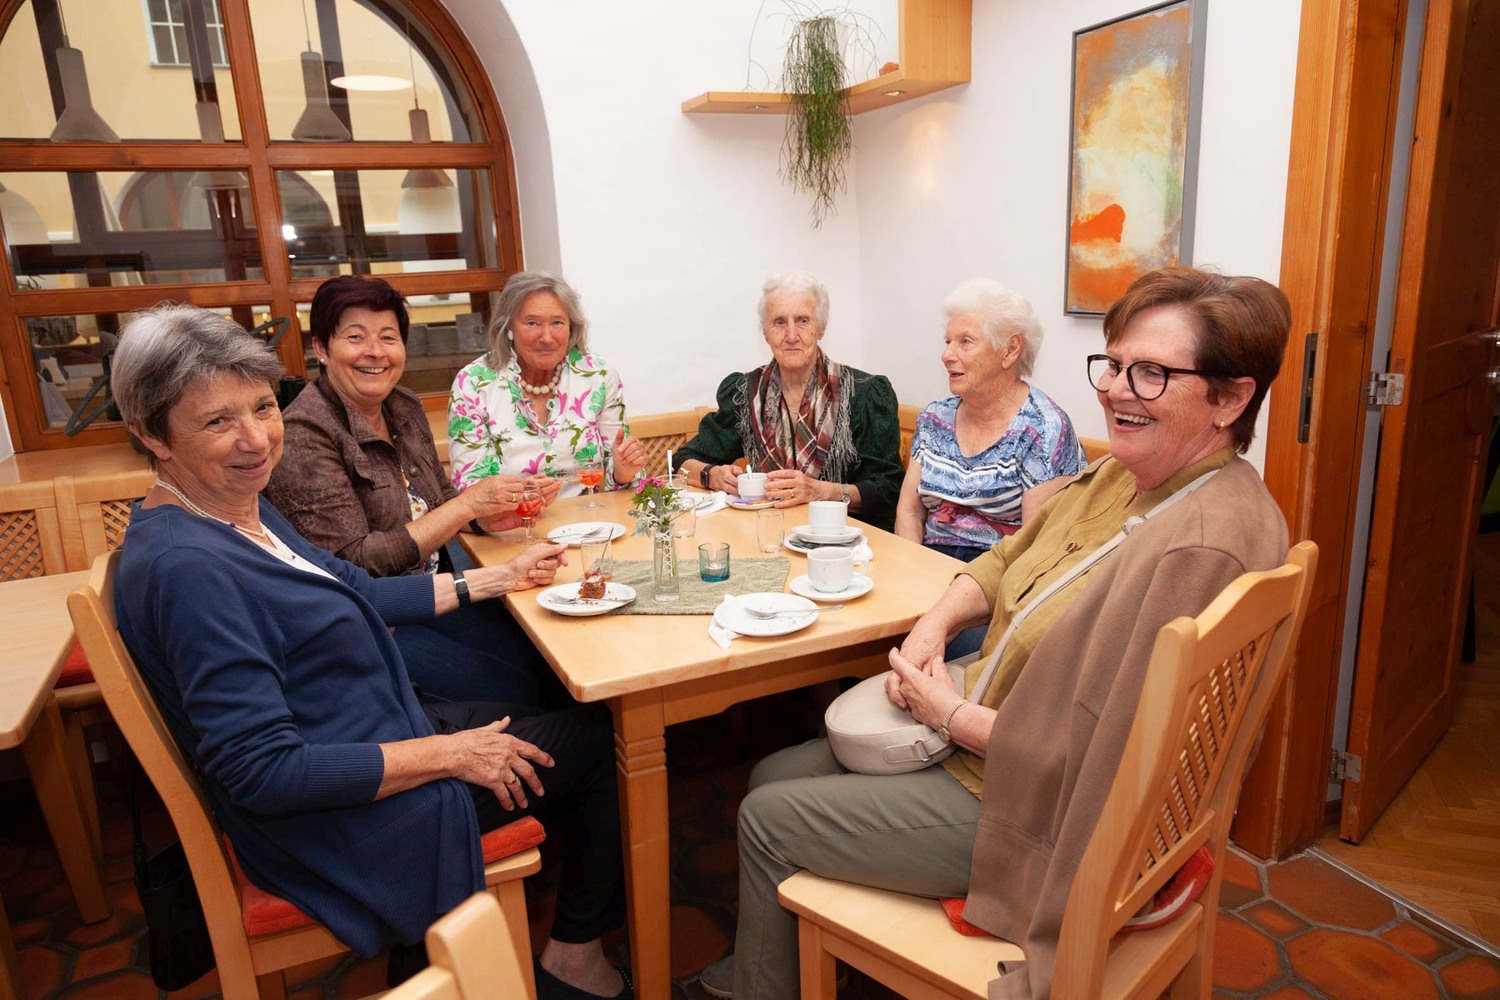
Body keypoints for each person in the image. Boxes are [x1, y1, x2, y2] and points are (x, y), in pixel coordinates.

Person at [696, 266, 1294, 1000]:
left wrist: (948, 714)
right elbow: (1008, 557)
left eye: (1151, 374)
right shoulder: (1125, 476)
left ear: (1231, 398)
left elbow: (1107, 759)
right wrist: (935, 624)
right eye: (1113, 365)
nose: (1114, 390)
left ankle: (759, 985)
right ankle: (819, 957)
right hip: (994, 732)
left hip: (1030, 805)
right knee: (771, 773)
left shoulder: (1201, 543)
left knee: (763, 818)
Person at [110, 305, 631, 1000]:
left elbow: (354, 589)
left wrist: (497, 578)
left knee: (553, 711)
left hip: (375, 731)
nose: (255, 439)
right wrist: (448, 754)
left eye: (262, 407)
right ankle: (564, 961)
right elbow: (263, 771)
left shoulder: (236, 509)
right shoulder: (190, 570)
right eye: (216, 421)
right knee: (599, 742)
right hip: (343, 816)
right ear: (151, 434)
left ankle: (447, 954)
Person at [265, 275, 557, 705]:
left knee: (545, 656)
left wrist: (488, 518)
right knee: (515, 690)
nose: (375, 351)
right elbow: (354, 563)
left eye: (388, 337)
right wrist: (468, 506)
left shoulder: (402, 404)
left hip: (435, 590)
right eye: (355, 337)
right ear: (322, 348)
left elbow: (439, 499)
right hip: (371, 621)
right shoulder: (305, 433)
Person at [673, 271, 904, 532]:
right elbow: (683, 460)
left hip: (846, 540)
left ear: (821, 328)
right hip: (769, 534)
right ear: (765, 333)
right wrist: (712, 476)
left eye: (803, 320)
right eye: (779, 322)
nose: (791, 335)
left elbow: (888, 488)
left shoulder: (864, 394)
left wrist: (820, 491)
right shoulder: (746, 393)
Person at [895, 279, 1086, 562]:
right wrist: (912, 569)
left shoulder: (1043, 429)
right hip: (928, 563)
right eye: (948, 342)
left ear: (1010, 350)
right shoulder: (935, 418)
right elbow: (909, 511)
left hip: (998, 572)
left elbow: (1035, 549)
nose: (946, 355)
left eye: (965, 342)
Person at [447, 271, 648, 497]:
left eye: (557, 323)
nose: (547, 337)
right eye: (532, 323)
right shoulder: (474, 383)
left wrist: (623, 471)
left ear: (571, 327)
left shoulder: (598, 375)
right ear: (509, 327)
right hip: (511, 516)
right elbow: (469, 486)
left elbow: (623, 476)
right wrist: (522, 495)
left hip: (590, 514)